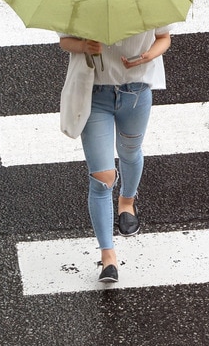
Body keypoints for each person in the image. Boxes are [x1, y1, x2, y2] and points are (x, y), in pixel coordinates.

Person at [59, 28, 172, 283]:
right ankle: (108, 257)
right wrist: (85, 46)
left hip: (136, 92)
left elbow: (164, 37)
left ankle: (127, 203)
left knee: (130, 151)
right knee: (101, 177)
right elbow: (64, 41)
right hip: (95, 94)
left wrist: (147, 56)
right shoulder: (81, 1)